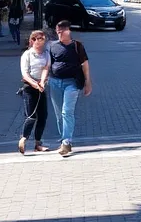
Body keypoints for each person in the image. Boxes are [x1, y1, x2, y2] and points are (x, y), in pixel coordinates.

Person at [47, 21, 91, 156]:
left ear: (68, 31)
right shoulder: (52, 46)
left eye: (62, 31)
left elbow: (85, 65)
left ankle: (67, 142)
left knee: (67, 111)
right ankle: (63, 140)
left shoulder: (77, 46)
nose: (59, 34)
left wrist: (88, 82)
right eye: (58, 31)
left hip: (72, 82)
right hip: (54, 82)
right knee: (59, 114)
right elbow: (48, 64)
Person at [18, 30, 51, 154]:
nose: (41, 42)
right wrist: (34, 84)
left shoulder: (46, 54)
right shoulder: (27, 54)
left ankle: (38, 143)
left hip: (41, 86)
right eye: (39, 39)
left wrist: (42, 82)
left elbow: (46, 68)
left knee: (43, 116)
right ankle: (24, 139)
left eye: (43, 39)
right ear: (33, 41)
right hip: (29, 88)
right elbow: (25, 74)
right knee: (31, 116)